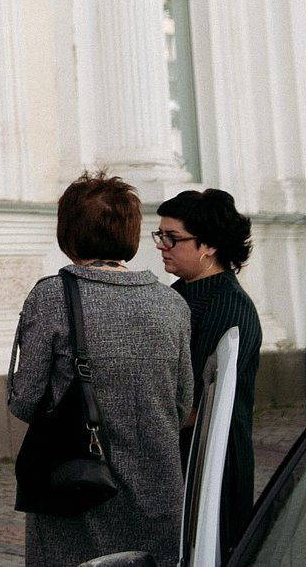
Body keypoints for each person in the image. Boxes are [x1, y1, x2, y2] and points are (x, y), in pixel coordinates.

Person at [8, 172, 194, 567]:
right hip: (158, 494)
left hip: (76, 492)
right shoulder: (172, 304)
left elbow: (25, 401)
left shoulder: (52, 296)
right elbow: (182, 405)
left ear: (68, 231)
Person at [157, 188, 262, 560]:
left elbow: (196, 406)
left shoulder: (226, 306)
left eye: (173, 238)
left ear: (209, 246)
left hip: (211, 465)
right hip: (184, 458)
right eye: (161, 235)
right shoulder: (184, 292)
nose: (162, 245)